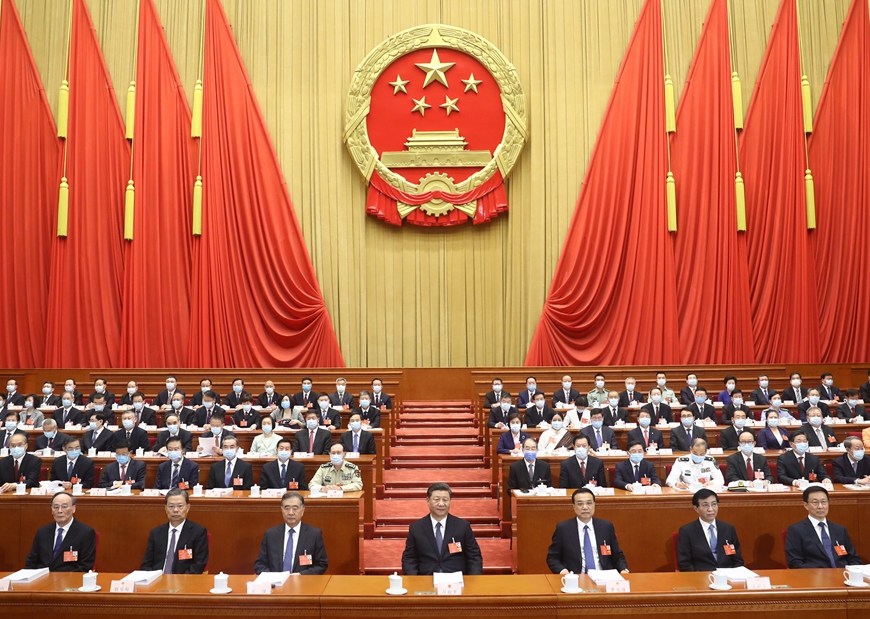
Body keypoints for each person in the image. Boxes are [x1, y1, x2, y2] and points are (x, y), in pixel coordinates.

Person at [401, 482, 483, 575]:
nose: (441, 504)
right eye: (436, 499)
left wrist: (473, 580)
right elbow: (409, 558)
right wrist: (414, 580)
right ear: (428, 500)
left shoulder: (462, 526)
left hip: (455, 579)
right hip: (427, 578)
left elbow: (474, 557)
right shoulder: (416, 528)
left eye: (445, 500)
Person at [546, 487, 628, 574]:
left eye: (589, 503)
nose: (585, 507)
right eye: (580, 504)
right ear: (574, 507)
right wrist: (563, 571)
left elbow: (617, 555)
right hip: (575, 576)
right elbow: (552, 558)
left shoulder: (606, 526)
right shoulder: (563, 529)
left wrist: (623, 570)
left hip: (604, 576)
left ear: (594, 505)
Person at [785, 486, 862, 568]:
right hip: (814, 575)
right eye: (815, 502)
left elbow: (853, 558)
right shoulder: (796, 530)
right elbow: (795, 562)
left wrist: (853, 571)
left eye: (824, 502)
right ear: (806, 505)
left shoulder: (840, 529)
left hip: (843, 574)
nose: (820, 506)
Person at [255, 491, 328, 574]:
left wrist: (301, 575)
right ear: (282, 510)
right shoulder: (271, 534)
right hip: (276, 581)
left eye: (295, 508)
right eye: (287, 508)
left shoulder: (313, 534)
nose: (290, 513)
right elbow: (259, 565)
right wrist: (273, 577)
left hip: (302, 581)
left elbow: (321, 565)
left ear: (302, 510)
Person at [139, 488, 209, 573]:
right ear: (165, 508)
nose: (175, 510)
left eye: (180, 506)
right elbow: (146, 564)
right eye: (171, 506)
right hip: (158, 578)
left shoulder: (198, 532)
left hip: (183, 579)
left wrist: (179, 579)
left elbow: (198, 565)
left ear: (187, 507)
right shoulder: (156, 533)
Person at [24, 491, 95, 571]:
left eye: (64, 506)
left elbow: (85, 567)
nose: (60, 511)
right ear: (51, 509)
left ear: (73, 508)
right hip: (42, 576)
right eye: (56, 507)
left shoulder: (85, 533)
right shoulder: (42, 532)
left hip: (70, 577)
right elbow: (31, 562)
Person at [676, 489, 743, 571]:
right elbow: (684, 563)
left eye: (714, 504)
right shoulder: (687, 531)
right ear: (696, 508)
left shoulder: (728, 529)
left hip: (727, 575)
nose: (710, 509)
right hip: (701, 576)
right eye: (705, 505)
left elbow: (737, 560)